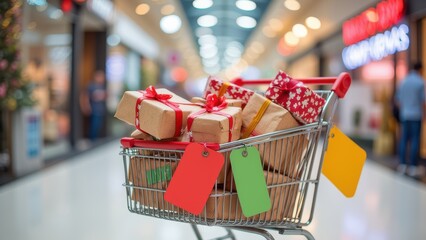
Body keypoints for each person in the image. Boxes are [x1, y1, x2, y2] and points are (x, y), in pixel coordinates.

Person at [395, 62, 425, 177]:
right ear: (420, 70)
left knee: (404, 140)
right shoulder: (421, 82)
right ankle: (413, 166)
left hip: (405, 115)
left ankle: (402, 165)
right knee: (415, 140)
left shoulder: (404, 81)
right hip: (416, 115)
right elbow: (423, 102)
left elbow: (398, 101)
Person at [81, 70, 107, 141]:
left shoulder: (102, 86)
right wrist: (86, 107)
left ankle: (96, 140)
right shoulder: (91, 86)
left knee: (98, 126)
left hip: (100, 109)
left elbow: (105, 96)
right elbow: (85, 97)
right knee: (93, 126)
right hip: (93, 109)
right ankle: (91, 140)